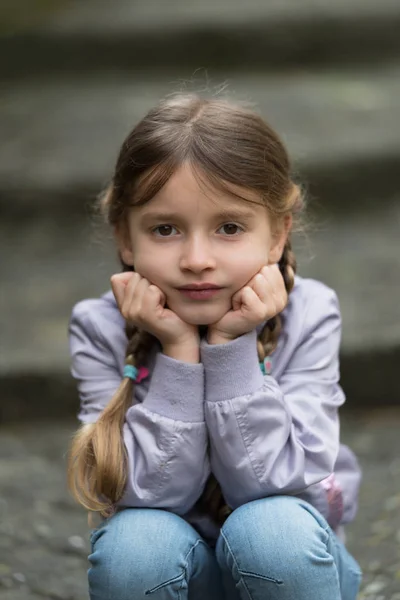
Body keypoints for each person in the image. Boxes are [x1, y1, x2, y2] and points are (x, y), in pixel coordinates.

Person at [67, 93, 362, 600]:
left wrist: (230, 346)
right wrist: (179, 350)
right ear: (125, 236)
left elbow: (277, 487)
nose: (197, 259)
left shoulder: (309, 313)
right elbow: (142, 497)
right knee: (134, 544)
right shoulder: (100, 327)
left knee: (271, 529)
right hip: (178, 570)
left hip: (293, 565)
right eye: (165, 229)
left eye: (229, 227)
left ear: (276, 235)